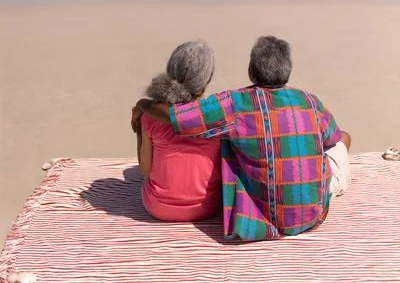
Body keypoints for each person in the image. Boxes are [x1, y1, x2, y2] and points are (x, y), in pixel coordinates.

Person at [132, 36, 351, 241]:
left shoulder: (233, 104)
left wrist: (143, 105)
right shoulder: (310, 102)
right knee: (343, 140)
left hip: (263, 218)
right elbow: (332, 139)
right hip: (312, 217)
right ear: (288, 70)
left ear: (251, 71)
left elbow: (176, 116)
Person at [134, 41, 222, 222]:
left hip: (158, 208)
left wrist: (138, 130)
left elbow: (145, 170)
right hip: (208, 207)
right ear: (208, 78)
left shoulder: (151, 116)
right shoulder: (217, 116)